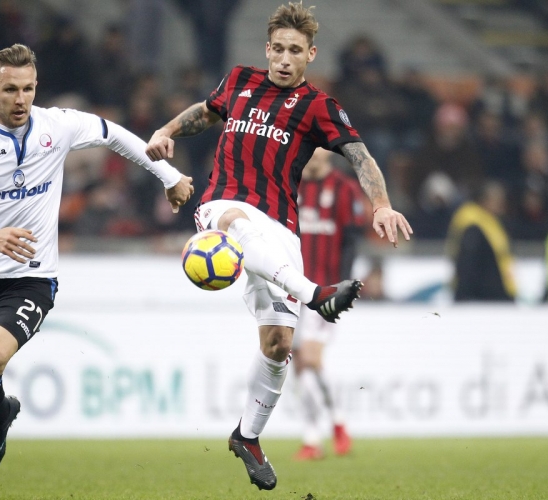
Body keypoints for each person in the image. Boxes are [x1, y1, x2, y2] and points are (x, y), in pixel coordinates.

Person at [0, 44, 193, 498]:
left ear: (36, 87)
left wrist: (169, 176)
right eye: (10, 90)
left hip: (33, 275)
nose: (20, 99)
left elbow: (114, 134)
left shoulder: (57, 125)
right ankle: (1, 410)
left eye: (28, 89)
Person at [146, 3, 412, 490]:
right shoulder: (239, 81)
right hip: (224, 205)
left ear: (311, 55)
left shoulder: (318, 106)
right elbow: (205, 113)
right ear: (267, 49)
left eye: (296, 51)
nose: (285, 59)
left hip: (281, 228)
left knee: (278, 345)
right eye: (279, 49)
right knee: (235, 224)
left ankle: (247, 436)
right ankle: (315, 295)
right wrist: (165, 131)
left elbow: (359, 155)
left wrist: (381, 205)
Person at [292, 147, 365, 461]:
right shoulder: (290, 183)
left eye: (319, 148)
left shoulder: (343, 188)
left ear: (329, 153)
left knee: (310, 357)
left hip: (324, 292)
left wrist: (342, 288)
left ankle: (326, 430)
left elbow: (351, 241)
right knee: (300, 365)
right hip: (289, 290)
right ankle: (324, 431)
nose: (314, 154)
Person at [446, 181, 516, 302]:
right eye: (498, 201)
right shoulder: (473, 223)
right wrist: (465, 294)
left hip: (493, 292)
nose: (502, 205)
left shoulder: (490, 221)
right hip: (483, 296)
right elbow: (468, 263)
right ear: (485, 200)